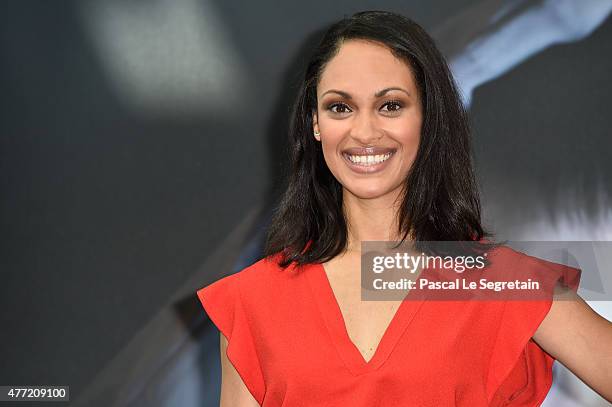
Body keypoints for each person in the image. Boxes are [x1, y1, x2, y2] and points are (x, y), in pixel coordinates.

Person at [197, 10, 612, 406]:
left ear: (429, 117)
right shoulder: (254, 301)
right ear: (316, 124)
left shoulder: (502, 282)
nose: (364, 131)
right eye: (340, 107)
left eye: (390, 105)